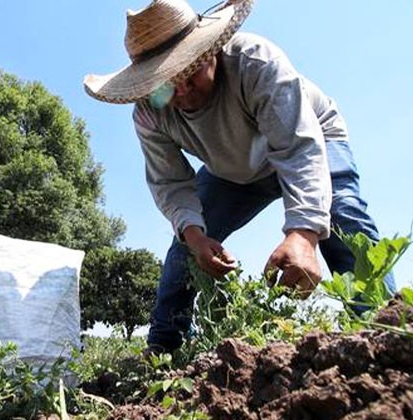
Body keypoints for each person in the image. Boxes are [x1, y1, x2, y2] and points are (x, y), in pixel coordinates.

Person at [83, 0, 394, 353]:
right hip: (231, 170)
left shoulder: (255, 62)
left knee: (341, 218)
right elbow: (170, 182)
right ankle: (163, 352)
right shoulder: (150, 112)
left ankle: (386, 331)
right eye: (165, 84)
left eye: (190, 71)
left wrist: (304, 234)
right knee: (183, 252)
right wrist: (197, 238)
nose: (181, 91)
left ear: (211, 50)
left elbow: (296, 148)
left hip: (308, 137)